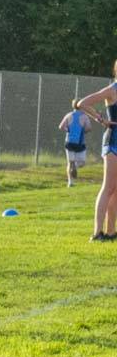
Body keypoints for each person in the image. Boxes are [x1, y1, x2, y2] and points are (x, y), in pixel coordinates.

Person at [72, 76, 117, 241]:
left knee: (116, 191)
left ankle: (111, 232)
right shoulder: (112, 90)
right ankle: (97, 233)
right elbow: (82, 103)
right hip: (113, 143)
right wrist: (99, 118)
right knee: (108, 187)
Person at [59, 101, 92, 188]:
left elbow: (61, 126)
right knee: (82, 162)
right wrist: (82, 131)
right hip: (80, 143)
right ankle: (75, 167)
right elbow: (89, 128)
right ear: (81, 106)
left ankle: (70, 182)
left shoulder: (69, 115)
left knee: (70, 163)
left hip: (69, 142)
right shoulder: (84, 116)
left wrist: (69, 130)